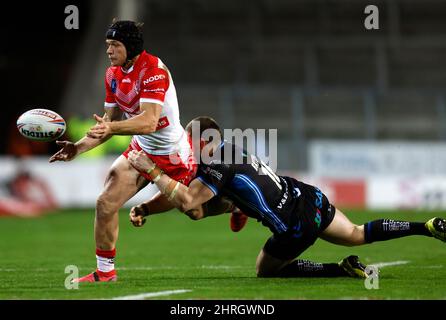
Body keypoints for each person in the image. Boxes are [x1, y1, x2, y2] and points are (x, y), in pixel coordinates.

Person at [127, 116, 446, 279]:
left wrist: (152, 171)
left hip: (294, 223)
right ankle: (428, 226)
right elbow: (195, 203)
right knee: (356, 234)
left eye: (190, 139)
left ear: (204, 141)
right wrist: (147, 206)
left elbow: (187, 201)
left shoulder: (214, 165)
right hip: (308, 196)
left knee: (265, 271)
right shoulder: (232, 151)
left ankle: (339, 269)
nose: (187, 145)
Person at [49, 20, 199, 283]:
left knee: (195, 211)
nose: (109, 51)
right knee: (105, 204)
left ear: (131, 47)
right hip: (140, 151)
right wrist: (77, 149)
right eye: (108, 45)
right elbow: (106, 126)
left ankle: (235, 205)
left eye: (115, 45)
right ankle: (106, 273)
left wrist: (110, 126)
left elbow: (148, 121)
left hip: (172, 155)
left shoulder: (153, 70)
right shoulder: (112, 75)